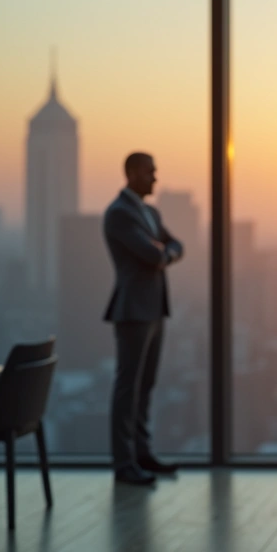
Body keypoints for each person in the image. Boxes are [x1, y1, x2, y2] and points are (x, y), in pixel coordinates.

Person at [103, 152, 183, 486]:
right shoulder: (119, 214)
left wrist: (164, 254)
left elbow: (175, 245)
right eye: (151, 171)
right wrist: (163, 253)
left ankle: (142, 452)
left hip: (153, 308)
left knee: (146, 385)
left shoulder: (149, 212)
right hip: (134, 309)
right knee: (128, 387)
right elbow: (153, 253)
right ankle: (124, 463)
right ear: (133, 173)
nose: (155, 178)